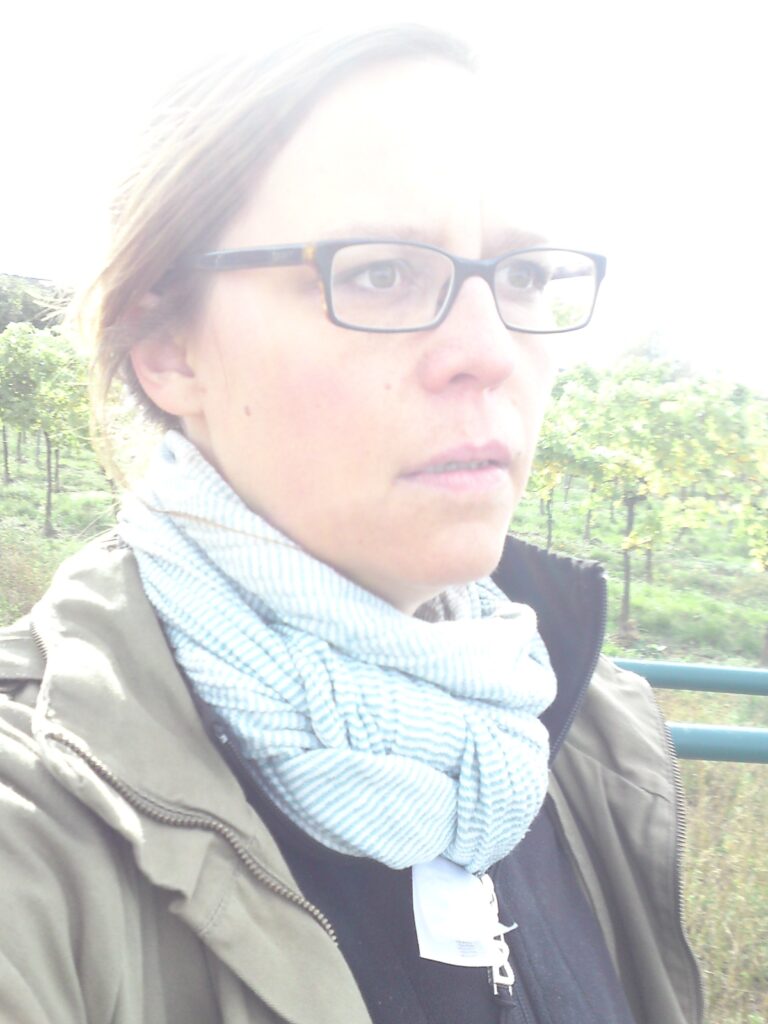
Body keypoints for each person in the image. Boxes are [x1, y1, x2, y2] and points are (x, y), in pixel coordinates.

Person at [0, 24, 702, 1024]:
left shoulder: (579, 728)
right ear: (169, 348)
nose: (490, 351)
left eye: (522, 275)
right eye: (380, 273)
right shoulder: (34, 829)